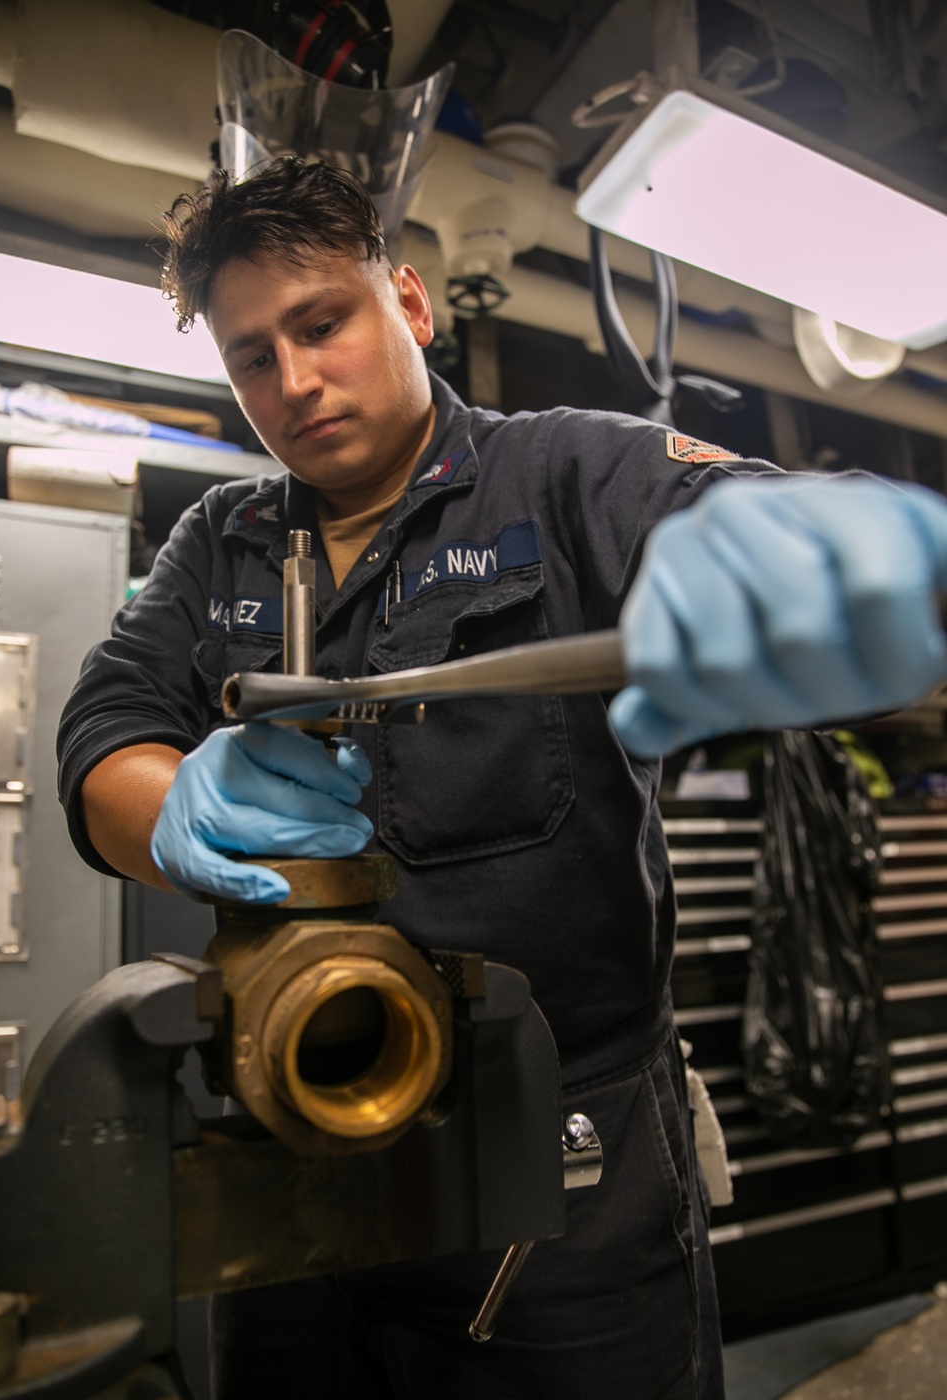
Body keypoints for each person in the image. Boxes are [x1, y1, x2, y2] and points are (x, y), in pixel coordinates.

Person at [57, 156, 947, 1400]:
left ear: (408, 303)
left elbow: (724, 509)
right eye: (253, 355)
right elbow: (103, 725)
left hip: (561, 1176)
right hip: (291, 1140)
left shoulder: (568, 475)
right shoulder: (222, 539)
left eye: (323, 323)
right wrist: (172, 807)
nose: (295, 380)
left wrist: (821, 547)